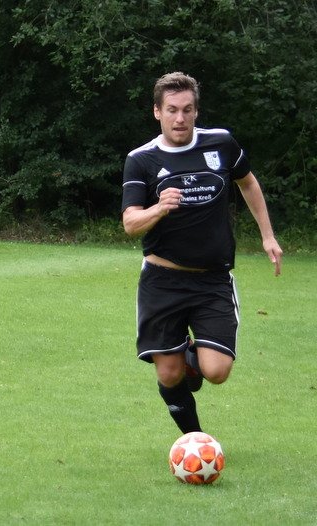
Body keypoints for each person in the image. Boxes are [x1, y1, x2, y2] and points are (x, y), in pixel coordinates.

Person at [121, 72, 283, 434]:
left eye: (187, 110)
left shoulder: (220, 143)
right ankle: (195, 441)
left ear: (196, 111)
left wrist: (268, 236)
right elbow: (130, 223)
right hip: (162, 281)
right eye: (172, 110)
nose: (180, 118)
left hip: (212, 280)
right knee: (169, 373)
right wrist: (158, 208)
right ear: (157, 112)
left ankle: (191, 356)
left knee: (217, 371)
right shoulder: (141, 159)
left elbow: (248, 183)